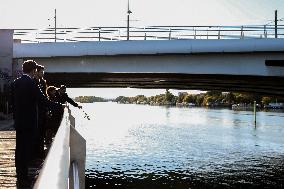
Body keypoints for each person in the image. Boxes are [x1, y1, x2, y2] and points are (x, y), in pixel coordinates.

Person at [11, 60, 62, 187]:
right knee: (26, 151)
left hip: (19, 122)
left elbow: (13, 103)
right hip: (29, 123)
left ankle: (20, 176)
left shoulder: (15, 83)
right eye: (35, 71)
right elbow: (42, 100)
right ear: (33, 70)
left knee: (19, 150)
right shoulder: (31, 83)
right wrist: (59, 106)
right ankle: (24, 179)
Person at [33, 65, 48, 160]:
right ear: (36, 72)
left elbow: (45, 97)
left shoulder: (42, 82)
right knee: (36, 133)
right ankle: (36, 154)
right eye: (41, 72)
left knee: (42, 132)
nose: (43, 74)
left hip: (42, 111)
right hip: (35, 111)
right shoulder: (33, 82)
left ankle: (40, 152)